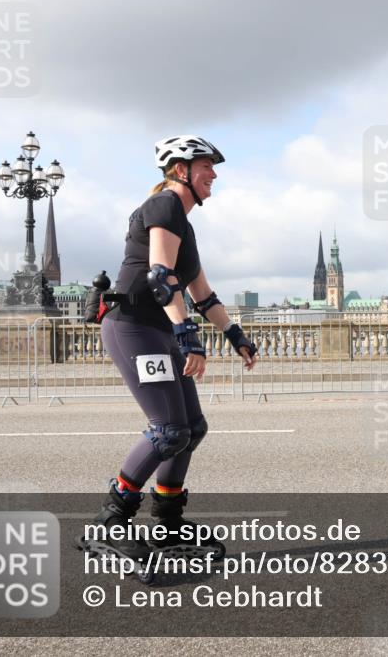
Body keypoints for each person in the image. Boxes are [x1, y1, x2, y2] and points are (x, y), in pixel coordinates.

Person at [88, 135, 257, 559]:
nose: (214, 174)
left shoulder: (185, 222)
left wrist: (235, 335)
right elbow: (160, 278)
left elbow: (203, 294)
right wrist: (189, 337)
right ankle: (109, 521)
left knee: (191, 429)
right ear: (181, 169)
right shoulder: (164, 205)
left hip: (157, 331)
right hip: (133, 328)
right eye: (206, 166)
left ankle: (166, 521)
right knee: (169, 430)